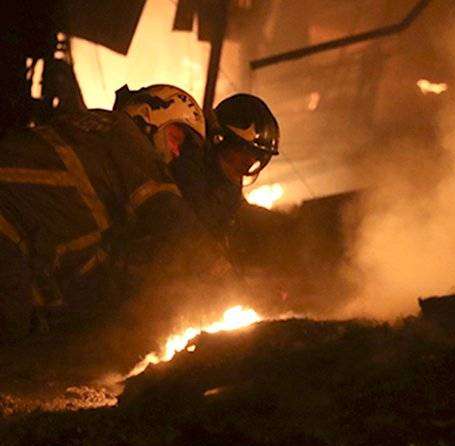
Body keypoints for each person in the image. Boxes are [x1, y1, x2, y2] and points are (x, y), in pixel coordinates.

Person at [0, 84, 233, 341]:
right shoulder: (126, 135)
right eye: (176, 138)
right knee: (11, 326)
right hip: (6, 228)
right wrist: (223, 276)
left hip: (14, 235)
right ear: (149, 116)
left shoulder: (92, 136)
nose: (176, 152)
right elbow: (171, 216)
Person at [167, 93, 281, 247]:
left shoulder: (226, 194)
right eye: (244, 152)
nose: (250, 162)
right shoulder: (183, 175)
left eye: (257, 156)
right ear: (219, 140)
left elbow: (239, 213)